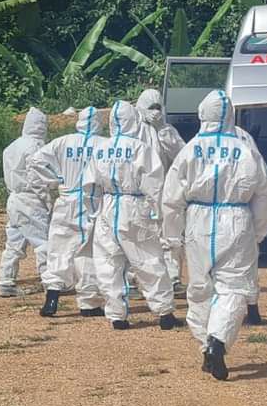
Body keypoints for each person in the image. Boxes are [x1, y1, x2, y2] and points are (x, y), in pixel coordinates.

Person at [162, 90, 267, 380]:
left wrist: (172, 234)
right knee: (234, 287)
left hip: (198, 220)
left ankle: (206, 346)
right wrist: (257, 231)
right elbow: (265, 193)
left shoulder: (190, 149)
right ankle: (217, 341)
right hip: (236, 219)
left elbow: (171, 197)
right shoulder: (245, 149)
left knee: (200, 288)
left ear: (202, 114)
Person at [85, 101, 181, 330]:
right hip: (135, 206)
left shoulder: (100, 149)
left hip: (108, 207)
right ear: (134, 121)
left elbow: (89, 185)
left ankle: (117, 315)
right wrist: (157, 213)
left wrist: (93, 211)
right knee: (148, 260)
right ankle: (164, 312)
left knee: (108, 263)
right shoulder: (140, 148)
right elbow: (154, 183)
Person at [28, 106, 105, 317]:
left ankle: (51, 299)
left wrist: (56, 180)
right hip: (93, 203)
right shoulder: (104, 144)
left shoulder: (63, 142)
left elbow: (35, 161)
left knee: (59, 248)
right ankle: (89, 303)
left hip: (66, 200)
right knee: (88, 252)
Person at [135, 89, 187, 298]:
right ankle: (133, 279)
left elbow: (182, 155)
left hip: (165, 191)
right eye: (151, 108)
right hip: (138, 193)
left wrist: (163, 133)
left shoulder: (168, 130)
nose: (155, 112)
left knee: (169, 235)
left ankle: (172, 278)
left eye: (158, 107)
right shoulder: (134, 130)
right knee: (138, 236)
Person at [0, 107, 51, 297]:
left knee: (14, 242)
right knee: (43, 241)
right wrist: (47, 200)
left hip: (14, 197)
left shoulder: (12, 146)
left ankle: (6, 281)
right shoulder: (37, 147)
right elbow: (38, 178)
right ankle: (50, 281)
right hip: (31, 199)